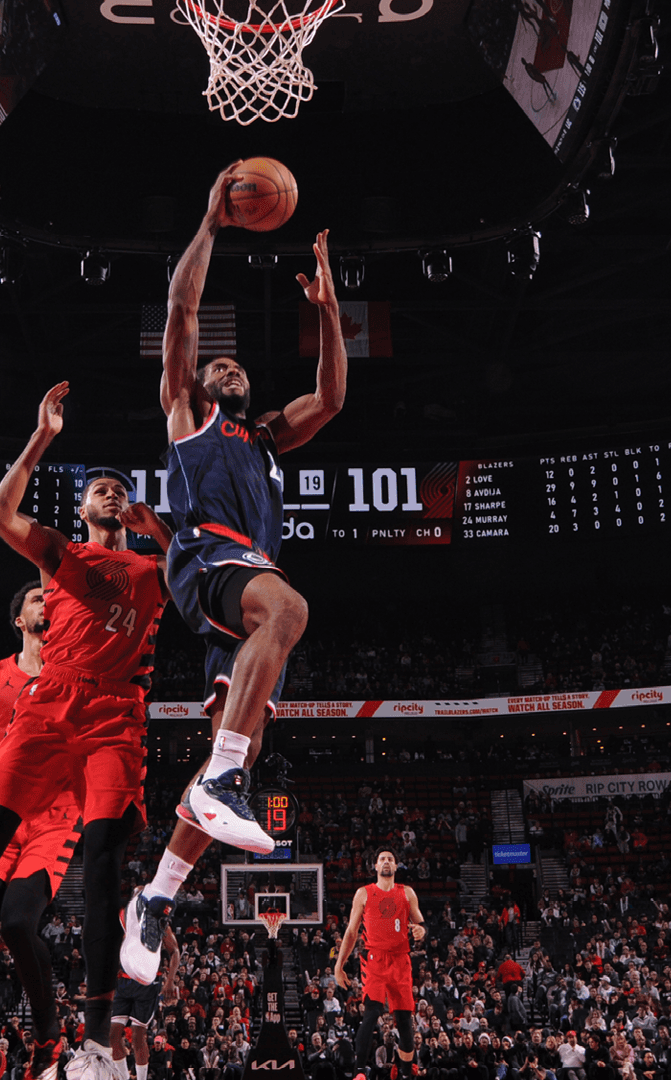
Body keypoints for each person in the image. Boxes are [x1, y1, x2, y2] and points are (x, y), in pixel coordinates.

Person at [0, 382, 174, 1078]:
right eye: (99, 488)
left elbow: (199, 573)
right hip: (55, 701)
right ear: (81, 509)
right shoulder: (62, 557)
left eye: (119, 489)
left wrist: (161, 528)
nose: (110, 493)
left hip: (117, 712)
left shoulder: (153, 570)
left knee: (103, 865)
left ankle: (96, 1045)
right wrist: (43, 436)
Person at [121, 162, 347, 987]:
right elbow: (182, 309)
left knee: (239, 751)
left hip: (244, 588)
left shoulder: (268, 437)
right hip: (211, 561)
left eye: (238, 370)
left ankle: (155, 897)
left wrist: (328, 313)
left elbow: (330, 397)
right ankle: (224, 775)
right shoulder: (188, 412)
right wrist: (212, 223)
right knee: (290, 610)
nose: (231, 370)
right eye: (221, 367)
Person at [0, 581, 76, 1080]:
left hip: (53, 815)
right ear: (20, 620)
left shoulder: (77, 673)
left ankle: (48, 1036)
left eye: (52, 599)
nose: (48, 602)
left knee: (19, 925)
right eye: (37, 598)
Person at [335, 850, 426, 1080]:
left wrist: (421, 930)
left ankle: (405, 1073)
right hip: (375, 959)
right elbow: (351, 932)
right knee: (371, 1012)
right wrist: (339, 965)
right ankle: (359, 1072)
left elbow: (421, 923)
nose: (386, 862)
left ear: (396, 866)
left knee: (405, 1021)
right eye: (382, 859)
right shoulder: (364, 893)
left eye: (390, 859)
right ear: (375, 866)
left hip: (401, 959)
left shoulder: (407, 892)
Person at [110, 915, 179, 1080]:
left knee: (138, 1035)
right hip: (124, 981)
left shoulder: (160, 923)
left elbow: (175, 951)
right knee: (113, 1035)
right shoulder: (123, 920)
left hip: (147, 983)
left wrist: (170, 981)